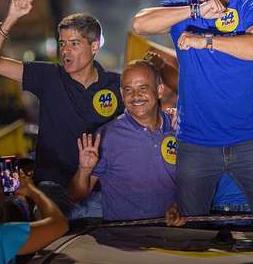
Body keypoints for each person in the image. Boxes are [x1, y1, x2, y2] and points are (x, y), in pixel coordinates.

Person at [132, 0, 253, 216]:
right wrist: (195, 11)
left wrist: (207, 41)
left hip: (248, 140)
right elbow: (140, 23)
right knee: (192, 232)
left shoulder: (248, 8)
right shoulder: (182, 9)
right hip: (195, 144)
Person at [0, 0, 121, 219]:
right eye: (62, 43)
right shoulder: (48, 76)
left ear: (94, 46)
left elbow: (147, 111)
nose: (66, 51)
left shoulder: (117, 85)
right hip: (52, 189)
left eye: (74, 44)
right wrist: (10, 19)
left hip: (103, 191)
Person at [68, 60, 177, 221]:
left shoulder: (178, 127)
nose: (135, 96)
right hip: (123, 239)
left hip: (174, 237)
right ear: (121, 94)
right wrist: (84, 170)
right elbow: (75, 196)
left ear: (159, 90)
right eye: (128, 90)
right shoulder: (105, 137)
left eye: (143, 88)